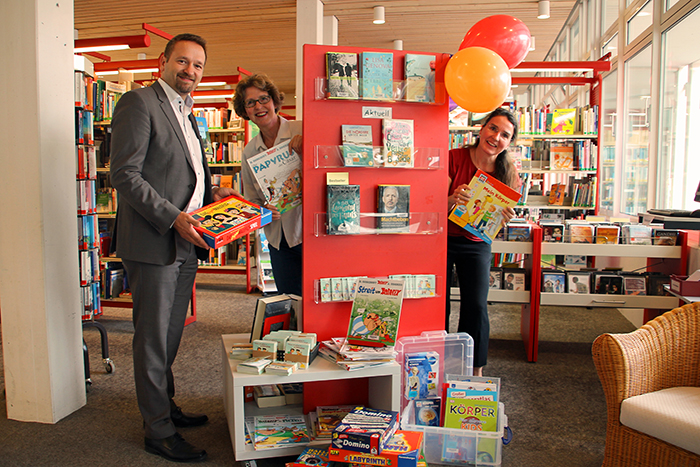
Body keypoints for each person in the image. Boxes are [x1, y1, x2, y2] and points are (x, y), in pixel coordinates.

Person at [110, 33, 239, 463]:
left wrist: (214, 194)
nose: (190, 71)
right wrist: (173, 217)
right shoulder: (139, 103)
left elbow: (186, 173)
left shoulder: (188, 112)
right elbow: (125, 175)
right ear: (163, 61)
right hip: (156, 239)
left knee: (169, 335)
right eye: (182, 62)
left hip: (189, 239)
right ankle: (157, 430)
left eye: (198, 65)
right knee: (151, 338)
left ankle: (164, 408)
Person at [446, 107, 520, 377]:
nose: (496, 137)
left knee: (476, 306)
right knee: (438, 303)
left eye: (505, 135)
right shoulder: (453, 158)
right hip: (443, 238)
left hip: (476, 242)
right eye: (493, 128)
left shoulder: (508, 174)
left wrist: (505, 217)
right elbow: (431, 203)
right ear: (481, 129)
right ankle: (437, 362)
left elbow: (495, 222)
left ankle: (474, 370)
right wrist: (452, 199)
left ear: (509, 143)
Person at [234, 74, 303, 296]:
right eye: (250, 103)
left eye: (263, 99)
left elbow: (331, 171)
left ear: (274, 102)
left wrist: (308, 151)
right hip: (278, 239)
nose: (258, 106)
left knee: (315, 300)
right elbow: (252, 199)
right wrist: (262, 212)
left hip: (308, 232)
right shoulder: (250, 151)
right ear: (245, 111)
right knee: (289, 299)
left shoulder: (301, 130)